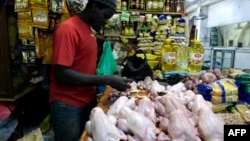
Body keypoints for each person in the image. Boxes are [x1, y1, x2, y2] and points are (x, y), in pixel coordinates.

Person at [49, 0, 132, 141]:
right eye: (105, 16)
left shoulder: (88, 31)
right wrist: (107, 79)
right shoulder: (68, 29)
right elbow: (62, 74)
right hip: (68, 105)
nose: (106, 22)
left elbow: (83, 67)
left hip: (86, 100)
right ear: (94, 7)